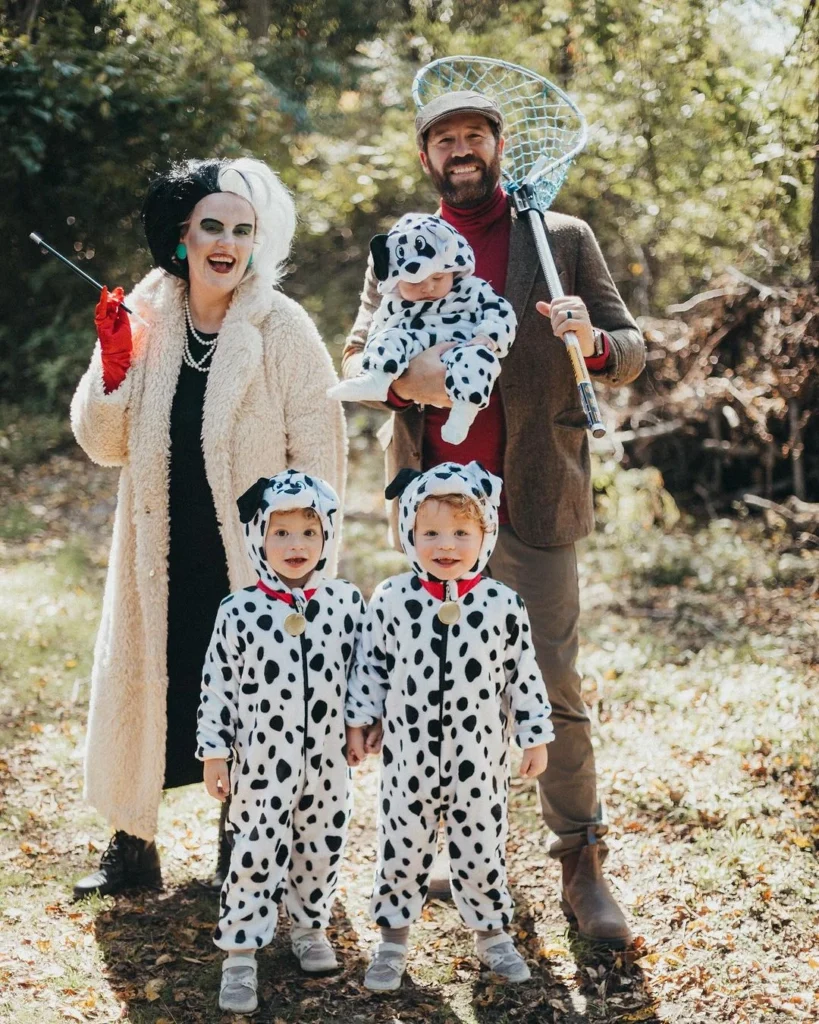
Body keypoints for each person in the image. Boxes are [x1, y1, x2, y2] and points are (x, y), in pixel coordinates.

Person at [342, 90, 646, 947]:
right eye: (444, 139)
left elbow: (630, 351)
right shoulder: (400, 246)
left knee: (550, 684)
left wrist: (589, 341)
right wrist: (410, 379)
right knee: (434, 688)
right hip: (432, 507)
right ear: (426, 156)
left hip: (533, 495)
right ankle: (457, 851)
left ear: (500, 147)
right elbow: (361, 355)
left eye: (474, 135)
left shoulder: (560, 241)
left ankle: (580, 861)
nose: (460, 149)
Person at [70, 158, 346, 900]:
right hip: (157, 543)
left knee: (247, 695)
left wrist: (303, 551)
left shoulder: (282, 326)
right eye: (211, 227)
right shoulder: (145, 314)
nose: (227, 242)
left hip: (251, 552)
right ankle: (131, 847)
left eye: (243, 230)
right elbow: (103, 443)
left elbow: (320, 447)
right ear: (181, 237)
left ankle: (248, 848)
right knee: (152, 684)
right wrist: (116, 366)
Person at [345, 461, 554, 992]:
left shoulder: (503, 604)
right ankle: (392, 941)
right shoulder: (393, 599)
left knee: (482, 846)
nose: (446, 544)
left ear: (485, 535)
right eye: (430, 532)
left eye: (462, 532)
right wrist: (362, 720)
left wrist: (534, 732)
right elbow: (371, 665)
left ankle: (491, 934)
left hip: (478, 759)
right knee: (401, 846)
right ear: (409, 533)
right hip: (408, 759)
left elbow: (522, 672)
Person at [197, 469, 363, 1014]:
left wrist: (360, 726)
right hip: (263, 763)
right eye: (282, 533)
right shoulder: (239, 611)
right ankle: (241, 950)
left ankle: (311, 927)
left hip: (327, 761)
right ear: (258, 539)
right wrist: (215, 753)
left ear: (326, 538)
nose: (296, 546)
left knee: (321, 845)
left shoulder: (343, 602)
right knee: (254, 849)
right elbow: (216, 687)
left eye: (308, 534)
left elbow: (365, 673)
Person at [328, 213, 516, 444]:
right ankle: (376, 380)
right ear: (396, 281)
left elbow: (499, 311)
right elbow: (371, 337)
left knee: (479, 359)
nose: (428, 287)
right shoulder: (393, 302)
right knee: (388, 338)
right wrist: (392, 374)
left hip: (462, 346)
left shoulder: (471, 289)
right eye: (414, 282)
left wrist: (489, 336)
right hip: (412, 344)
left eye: (438, 277)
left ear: (454, 269)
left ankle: (464, 410)